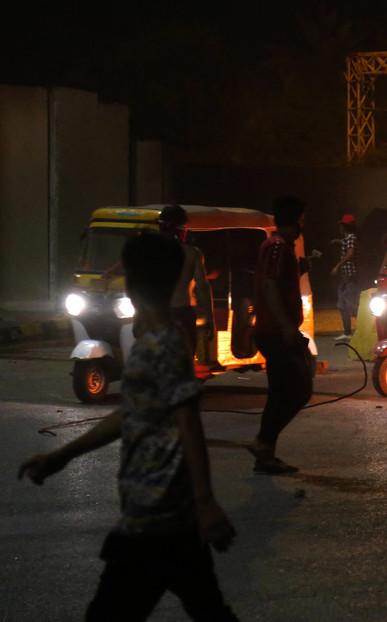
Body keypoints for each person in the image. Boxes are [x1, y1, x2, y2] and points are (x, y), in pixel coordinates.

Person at [18, 232, 238, 621]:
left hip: (156, 519)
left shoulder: (163, 346)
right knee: (208, 612)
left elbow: (189, 421)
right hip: (165, 519)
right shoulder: (156, 343)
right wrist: (60, 456)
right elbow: (131, 415)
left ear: (133, 283)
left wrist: (206, 503)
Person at [246, 195, 313, 475]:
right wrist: (286, 328)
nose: (301, 229)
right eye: (301, 222)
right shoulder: (276, 246)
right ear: (295, 221)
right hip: (276, 332)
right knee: (298, 390)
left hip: (277, 330)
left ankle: (265, 453)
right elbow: (271, 286)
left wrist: (298, 271)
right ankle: (263, 443)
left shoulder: (279, 247)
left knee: (280, 393)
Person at [158, 205, 217, 368]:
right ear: (182, 229)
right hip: (182, 311)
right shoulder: (192, 253)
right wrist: (210, 320)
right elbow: (203, 287)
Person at [329, 213, 360, 341]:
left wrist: (337, 266)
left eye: (342, 225)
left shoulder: (351, 238)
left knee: (351, 304)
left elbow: (350, 254)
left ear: (344, 227)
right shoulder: (349, 239)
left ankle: (364, 330)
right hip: (346, 277)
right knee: (342, 304)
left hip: (350, 276)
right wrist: (339, 241)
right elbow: (347, 243)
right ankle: (347, 332)